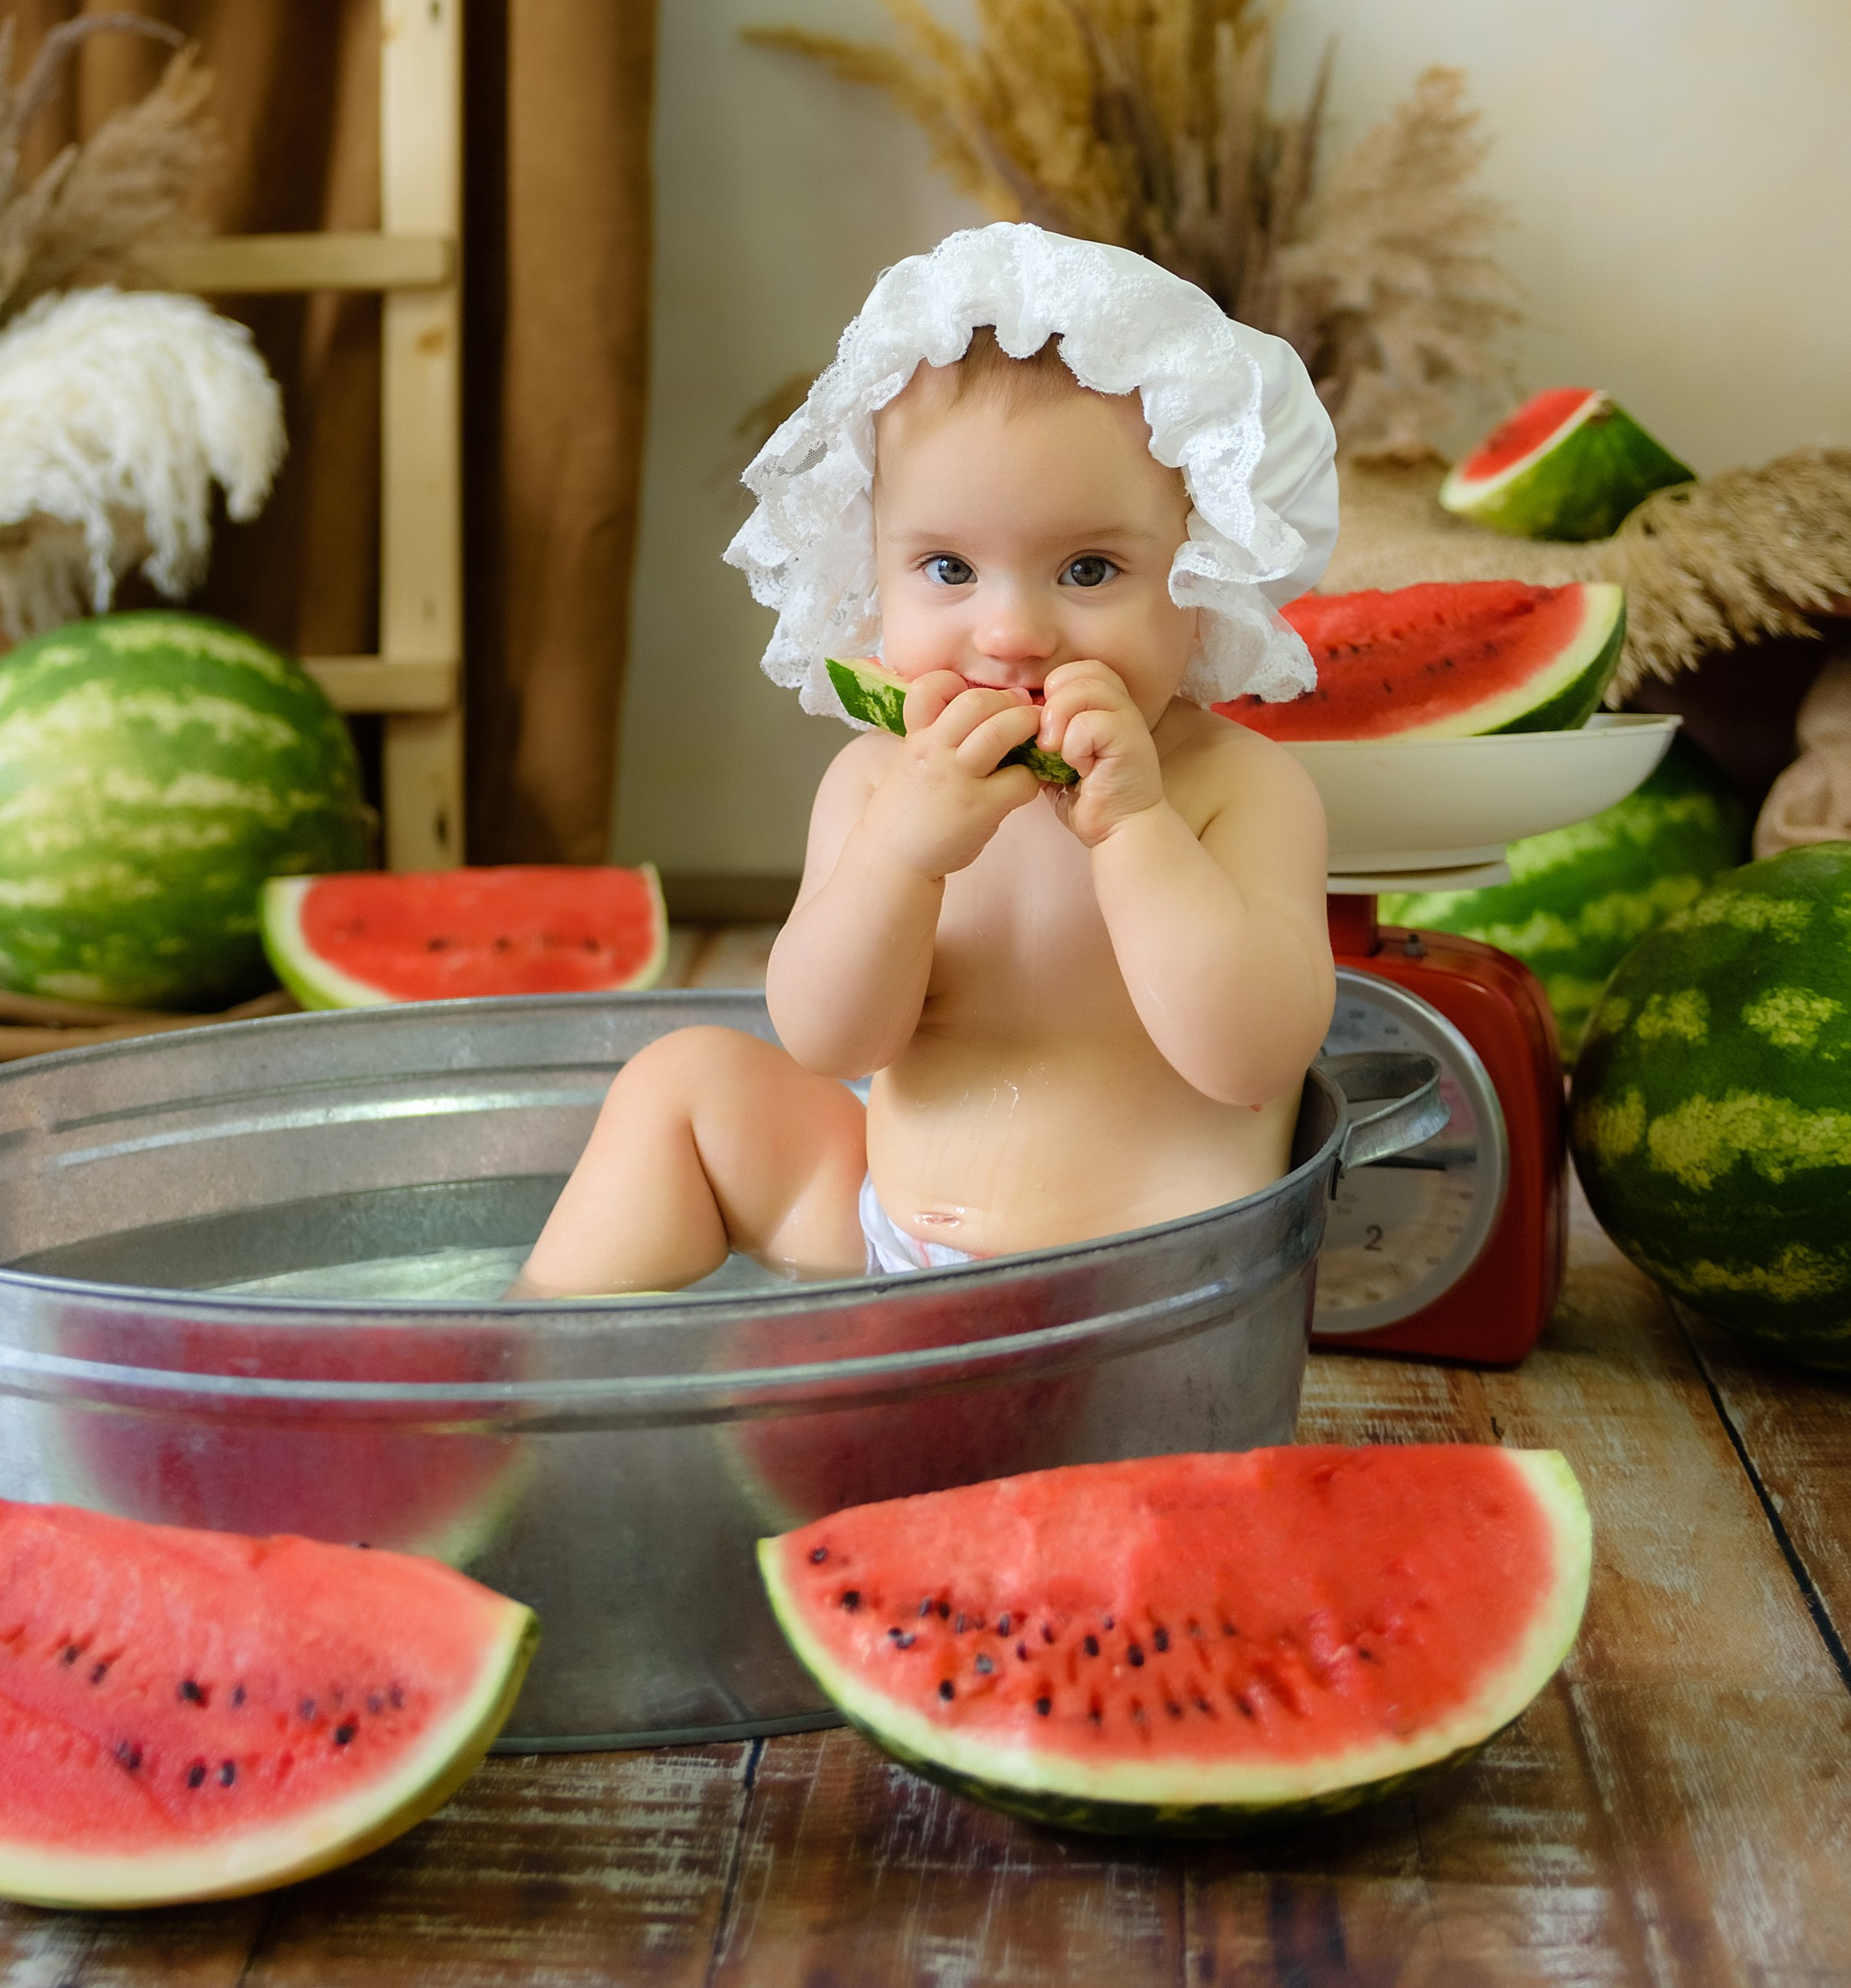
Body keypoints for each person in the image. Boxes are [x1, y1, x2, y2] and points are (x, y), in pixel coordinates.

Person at [517, 223, 1339, 1294]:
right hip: (886, 1246)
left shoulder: (1239, 790)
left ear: (1201, 582)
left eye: (1089, 570)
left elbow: (1253, 1059)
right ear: (873, 569)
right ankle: (528, 1356)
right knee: (683, 1082)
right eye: (948, 568)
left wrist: (1139, 831)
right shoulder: (876, 783)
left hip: (1133, 1293)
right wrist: (899, 856)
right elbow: (830, 1042)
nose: (1011, 633)